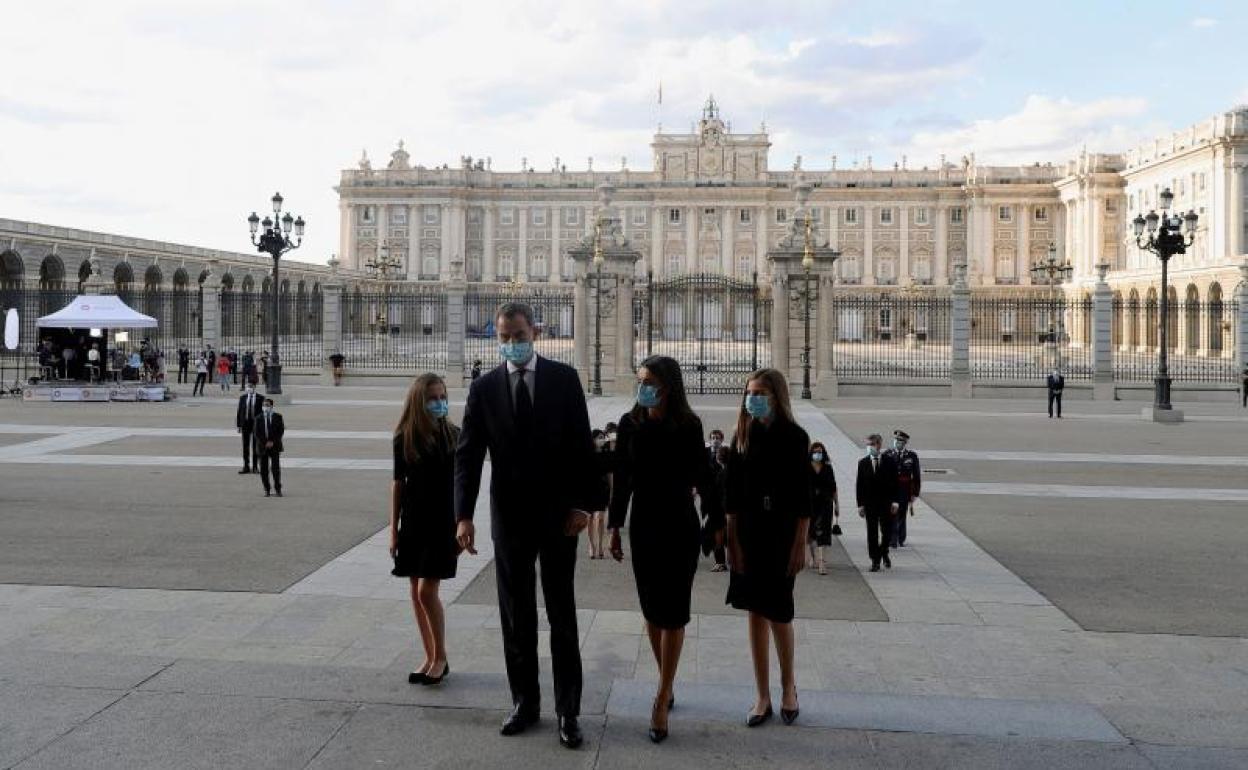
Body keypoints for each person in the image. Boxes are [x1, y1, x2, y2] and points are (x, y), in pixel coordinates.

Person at [454, 302, 601, 749]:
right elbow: (467, 455)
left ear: (534, 332)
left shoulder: (563, 378)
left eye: (517, 335)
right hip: (511, 518)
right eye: (503, 337)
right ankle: (524, 702)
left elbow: (582, 446)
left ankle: (567, 711)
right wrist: (463, 515)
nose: (511, 344)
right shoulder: (483, 388)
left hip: (559, 517)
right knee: (515, 616)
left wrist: (584, 505)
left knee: (562, 615)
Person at [608, 355, 719, 743]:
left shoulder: (688, 425)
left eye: (649, 381)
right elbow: (621, 478)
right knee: (653, 613)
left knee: (674, 614)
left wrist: (715, 521)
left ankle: (660, 697)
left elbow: (704, 476)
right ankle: (666, 681)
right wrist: (614, 526)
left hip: (679, 526)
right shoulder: (629, 424)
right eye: (640, 380)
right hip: (644, 526)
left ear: (668, 386)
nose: (643, 387)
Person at [724, 367, 810, 728]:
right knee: (754, 613)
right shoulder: (741, 435)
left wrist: (799, 544)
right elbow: (730, 494)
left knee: (779, 612)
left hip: (781, 531)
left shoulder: (795, 437)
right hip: (748, 530)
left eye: (759, 392)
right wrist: (731, 542)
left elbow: (804, 497)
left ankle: (788, 684)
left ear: (776, 396)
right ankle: (762, 695)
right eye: (749, 392)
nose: (752, 398)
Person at [391, 373, 460, 687]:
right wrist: (394, 530)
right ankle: (429, 655)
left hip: (443, 522)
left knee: (426, 591)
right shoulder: (404, 437)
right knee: (415, 594)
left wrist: (463, 523)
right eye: (433, 398)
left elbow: (464, 486)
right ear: (419, 402)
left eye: (442, 396)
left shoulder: (456, 436)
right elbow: (398, 485)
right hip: (414, 522)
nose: (439, 402)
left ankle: (442, 656)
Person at [856, 433, 899, 572]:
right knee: (872, 533)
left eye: (872, 444)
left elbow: (895, 483)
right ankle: (875, 560)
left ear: (879, 445)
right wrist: (860, 505)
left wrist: (895, 502)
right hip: (870, 504)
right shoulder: (863, 463)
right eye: (868, 444)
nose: (869, 447)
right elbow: (859, 485)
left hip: (886, 503)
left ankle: (884, 551)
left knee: (887, 532)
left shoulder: (890, 461)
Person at [807, 441, 839, 575]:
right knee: (810, 532)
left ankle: (822, 562)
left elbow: (833, 488)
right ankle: (813, 557)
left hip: (825, 503)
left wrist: (837, 505)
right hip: (809, 504)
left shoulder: (828, 468)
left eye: (819, 452)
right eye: (815, 452)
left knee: (824, 532)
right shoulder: (805, 467)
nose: (817, 454)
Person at [886, 430, 921, 549]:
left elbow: (916, 475)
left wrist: (915, 493)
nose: (897, 442)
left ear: (905, 443)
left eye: (900, 441)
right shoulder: (888, 454)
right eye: (896, 440)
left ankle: (900, 538)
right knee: (891, 514)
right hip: (890, 489)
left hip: (904, 489)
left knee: (902, 514)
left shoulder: (911, 456)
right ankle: (892, 538)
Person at [586, 429, 611, 560]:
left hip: (602, 488)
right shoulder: (587, 454)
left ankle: (601, 545)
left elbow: (609, 474)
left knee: (600, 517)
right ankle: (591, 545)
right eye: (599, 437)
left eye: (603, 437)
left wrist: (612, 490)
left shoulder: (606, 454)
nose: (602, 440)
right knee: (590, 518)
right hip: (589, 489)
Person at [705, 445, 729, 572]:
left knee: (717, 536)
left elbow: (717, 495)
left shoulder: (722, 474)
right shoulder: (730, 473)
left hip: (721, 512)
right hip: (727, 511)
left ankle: (720, 562)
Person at [253, 398, 284, 497]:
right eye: (264, 405)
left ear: (271, 406)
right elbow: (257, 433)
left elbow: (280, 431)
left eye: (267, 405)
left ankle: (278, 489)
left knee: (275, 469)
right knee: (263, 470)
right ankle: (267, 489)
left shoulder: (278, 417)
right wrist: (265, 442)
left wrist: (272, 441)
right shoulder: (258, 418)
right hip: (262, 447)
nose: (265, 407)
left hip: (275, 446)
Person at [236, 383, 262, 474]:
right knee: (245, 446)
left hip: (255, 424)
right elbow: (239, 412)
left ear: (254, 388)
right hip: (245, 423)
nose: (249, 388)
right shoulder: (243, 398)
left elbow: (262, 414)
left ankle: (255, 467)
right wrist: (239, 425)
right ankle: (246, 466)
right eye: (248, 387)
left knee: (255, 446)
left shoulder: (260, 398)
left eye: (251, 387)